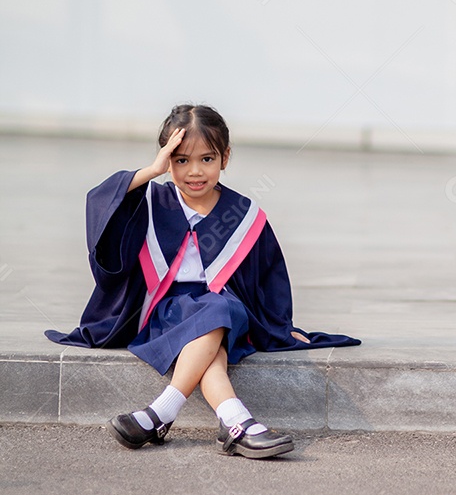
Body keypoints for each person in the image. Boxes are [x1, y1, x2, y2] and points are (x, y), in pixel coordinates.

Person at [46, 104, 360, 459]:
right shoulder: (152, 202)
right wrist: (151, 171)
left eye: (207, 159)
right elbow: (101, 204)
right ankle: (235, 422)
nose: (195, 172)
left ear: (225, 157)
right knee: (214, 334)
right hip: (167, 313)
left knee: (219, 307)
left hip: (225, 309)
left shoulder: (242, 214)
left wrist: (280, 328)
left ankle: (160, 414)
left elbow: (268, 279)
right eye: (181, 161)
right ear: (167, 161)